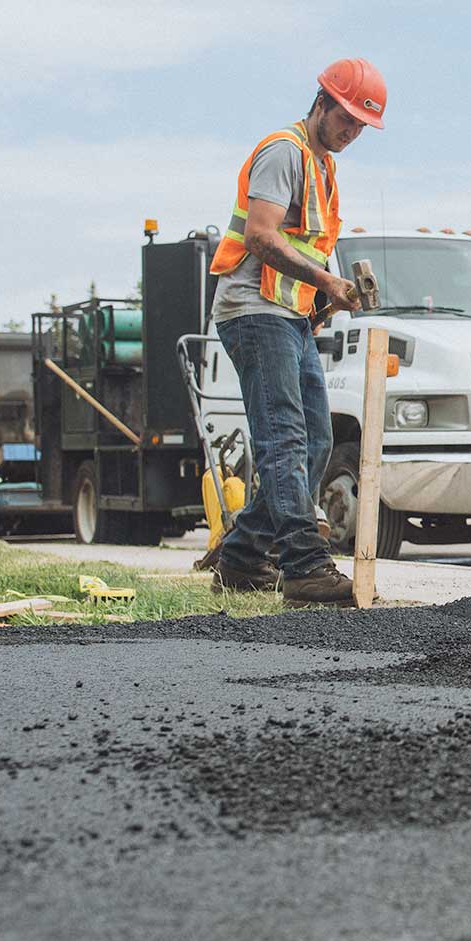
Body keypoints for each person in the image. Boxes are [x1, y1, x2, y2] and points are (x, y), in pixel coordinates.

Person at [206, 58, 387, 606]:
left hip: (287, 316)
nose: (352, 132)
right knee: (284, 435)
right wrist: (328, 279)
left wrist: (328, 298)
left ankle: (239, 559)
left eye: (361, 126)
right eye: (348, 118)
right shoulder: (283, 151)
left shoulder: (323, 168)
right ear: (323, 101)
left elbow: (300, 251)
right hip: (252, 311)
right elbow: (261, 238)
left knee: (317, 437)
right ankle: (305, 565)